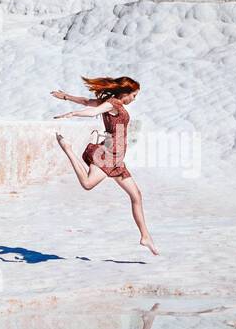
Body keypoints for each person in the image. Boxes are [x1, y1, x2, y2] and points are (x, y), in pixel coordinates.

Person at [52, 76, 159, 256]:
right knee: (87, 184)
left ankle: (145, 236)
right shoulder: (113, 105)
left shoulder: (111, 103)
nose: (134, 99)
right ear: (125, 93)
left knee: (136, 196)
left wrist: (66, 97)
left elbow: (87, 101)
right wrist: (73, 113)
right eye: (133, 95)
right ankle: (68, 148)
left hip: (116, 160)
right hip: (108, 156)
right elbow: (91, 111)